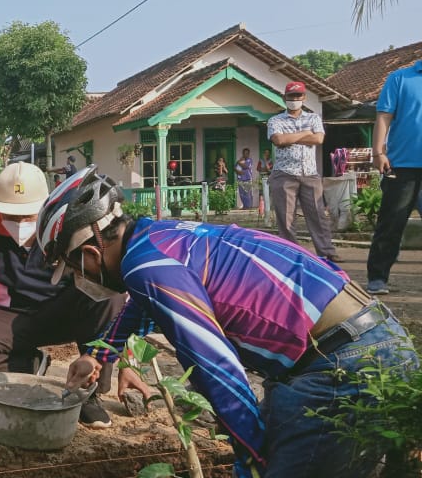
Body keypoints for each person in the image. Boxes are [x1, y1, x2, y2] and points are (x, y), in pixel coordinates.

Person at [42, 167, 418, 477]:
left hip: (341, 367)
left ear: (91, 252)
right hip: (380, 341)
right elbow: (145, 303)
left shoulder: (146, 266)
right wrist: (100, 354)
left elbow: (215, 367)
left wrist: (252, 456)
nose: (80, 279)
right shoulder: (158, 237)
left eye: (75, 269)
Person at [0, 163, 151, 429]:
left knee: (108, 296)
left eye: (27, 216)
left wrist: (129, 362)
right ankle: (27, 366)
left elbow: (114, 290)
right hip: (13, 318)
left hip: (66, 314)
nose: (20, 224)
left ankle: (87, 393)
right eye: (11, 216)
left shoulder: (72, 230)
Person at [267, 81, 342, 262]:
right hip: (284, 174)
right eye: (291, 97)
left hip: (310, 173)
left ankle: (327, 250)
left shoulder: (313, 118)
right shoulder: (275, 120)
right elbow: (278, 140)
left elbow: (318, 139)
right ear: (284, 98)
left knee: (317, 214)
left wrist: (291, 138)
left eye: (298, 96)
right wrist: (304, 134)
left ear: (304, 98)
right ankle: (292, 252)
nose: (295, 100)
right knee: (286, 218)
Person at [366, 59, 422, 295]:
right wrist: (378, 152)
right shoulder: (400, 78)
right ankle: (378, 277)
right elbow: (384, 116)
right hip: (402, 165)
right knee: (391, 223)